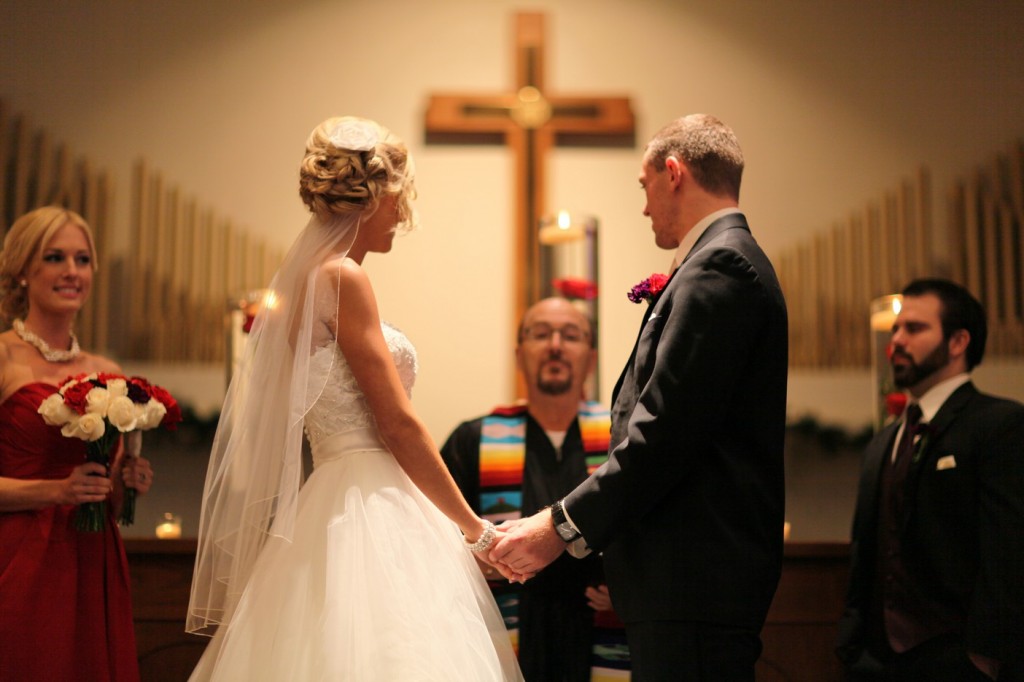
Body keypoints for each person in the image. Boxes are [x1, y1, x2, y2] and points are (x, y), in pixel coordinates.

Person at [186, 116, 522, 681]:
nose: (403, 213)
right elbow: (398, 424)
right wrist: (476, 529)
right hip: (371, 500)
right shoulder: (343, 277)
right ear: (374, 196)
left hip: (334, 496)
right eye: (400, 197)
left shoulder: (303, 285)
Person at [489, 113, 789, 681]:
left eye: (644, 185)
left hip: (692, 582)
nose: (645, 205)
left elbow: (663, 436)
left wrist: (557, 527)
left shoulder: (721, 267)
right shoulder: (722, 262)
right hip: (688, 584)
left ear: (673, 173)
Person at [836, 279, 1024, 682]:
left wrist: (984, 658)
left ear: (958, 342)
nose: (897, 341)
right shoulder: (883, 442)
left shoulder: (999, 426)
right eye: (896, 330)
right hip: (875, 662)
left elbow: (1008, 552)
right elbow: (867, 555)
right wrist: (851, 647)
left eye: (915, 329)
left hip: (958, 663)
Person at [0, 206, 155, 681]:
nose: (71, 271)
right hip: (16, 560)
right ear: (25, 271)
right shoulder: (3, 357)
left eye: (82, 260)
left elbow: (107, 497)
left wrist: (125, 482)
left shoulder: (106, 370)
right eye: (54, 257)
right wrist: (55, 491)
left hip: (91, 558)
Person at [441, 296, 630, 681]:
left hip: (597, 631)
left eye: (571, 335)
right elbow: (429, 534)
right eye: (541, 334)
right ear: (519, 354)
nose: (555, 345)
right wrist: (473, 562)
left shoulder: (624, 441)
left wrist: (634, 587)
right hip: (507, 634)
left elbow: (656, 531)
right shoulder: (473, 440)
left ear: (590, 358)